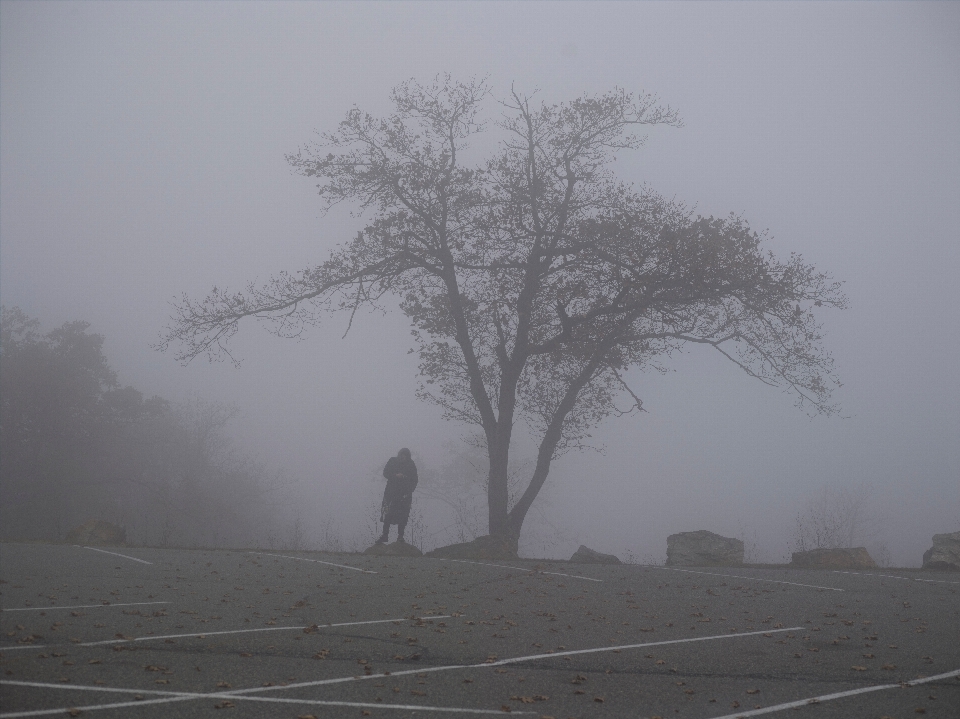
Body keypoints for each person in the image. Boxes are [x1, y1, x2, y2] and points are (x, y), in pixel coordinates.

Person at [377, 447, 418, 544]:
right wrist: (395, 475)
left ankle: (400, 537)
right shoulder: (392, 461)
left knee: (403, 515)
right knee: (388, 514)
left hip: (405, 495)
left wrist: (409, 490)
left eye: (405, 456)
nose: (403, 457)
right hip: (391, 493)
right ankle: (385, 535)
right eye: (402, 455)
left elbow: (415, 480)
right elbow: (385, 473)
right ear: (399, 455)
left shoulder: (411, 464)